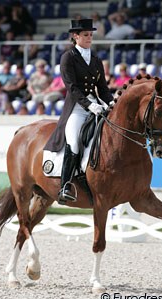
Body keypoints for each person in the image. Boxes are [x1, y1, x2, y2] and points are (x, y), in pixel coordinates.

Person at [44, 19, 114, 204]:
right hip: (77, 108)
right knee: (74, 141)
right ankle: (65, 186)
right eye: (85, 35)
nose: (89, 38)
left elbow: (103, 88)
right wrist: (89, 105)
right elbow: (72, 88)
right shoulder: (68, 57)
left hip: (97, 106)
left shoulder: (96, 59)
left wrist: (113, 102)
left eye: (91, 35)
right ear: (75, 36)